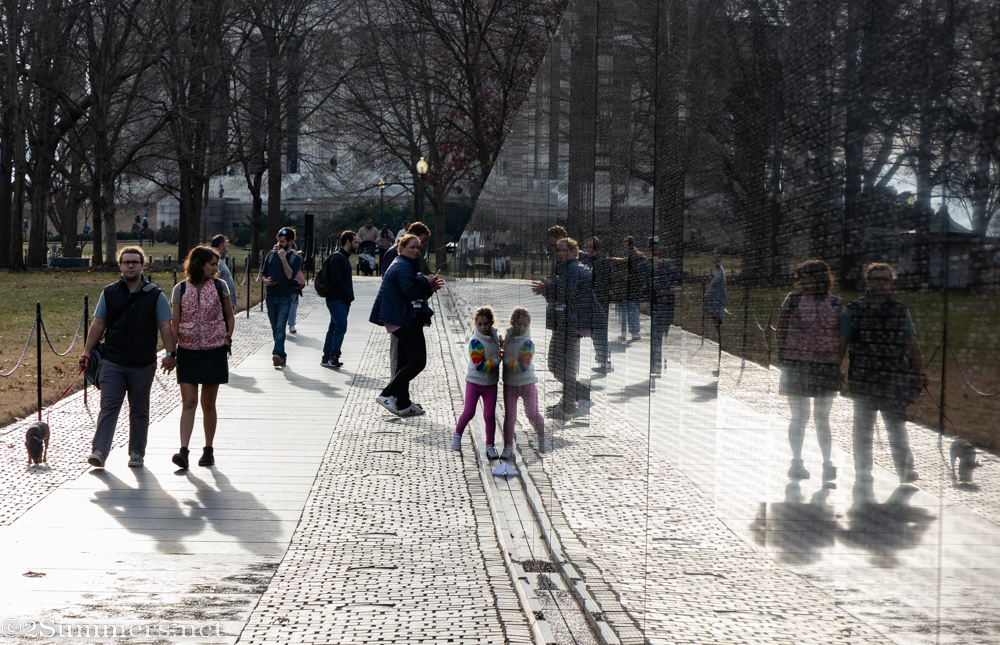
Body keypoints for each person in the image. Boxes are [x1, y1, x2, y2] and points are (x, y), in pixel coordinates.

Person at [78, 247, 177, 468]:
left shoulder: (155, 295)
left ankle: (136, 452)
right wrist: (86, 352)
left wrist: (171, 354)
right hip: (112, 361)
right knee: (109, 407)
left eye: (134, 262)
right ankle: (100, 451)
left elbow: (165, 327)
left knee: (139, 409)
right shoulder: (109, 292)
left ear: (143, 265)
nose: (130, 265)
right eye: (126, 262)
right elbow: (98, 324)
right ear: (120, 265)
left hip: (143, 363)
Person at [839, 263, 928, 486]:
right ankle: (863, 469)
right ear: (868, 281)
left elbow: (911, 341)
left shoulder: (900, 310)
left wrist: (919, 369)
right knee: (863, 427)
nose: (881, 283)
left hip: (893, 376)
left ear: (891, 282)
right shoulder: (853, 310)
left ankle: (906, 470)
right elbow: (842, 342)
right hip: (863, 376)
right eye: (876, 278)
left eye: (885, 279)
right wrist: (835, 369)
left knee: (896, 425)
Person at [776, 260, 842, 485]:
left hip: (825, 364)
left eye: (809, 276)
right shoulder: (793, 299)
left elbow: (840, 335)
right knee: (800, 415)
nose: (804, 281)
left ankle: (827, 462)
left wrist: (839, 364)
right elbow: (781, 327)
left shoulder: (835, 303)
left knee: (822, 417)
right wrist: (783, 354)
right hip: (796, 363)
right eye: (802, 276)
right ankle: (796, 460)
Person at [170, 246, 235, 469]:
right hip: (187, 351)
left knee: (208, 403)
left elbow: (229, 316)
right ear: (199, 264)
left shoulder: (220, 286)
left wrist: (227, 338)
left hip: (214, 350)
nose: (216, 268)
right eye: (212, 264)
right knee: (188, 402)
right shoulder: (180, 288)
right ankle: (183, 451)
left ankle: (208, 449)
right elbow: (174, 321)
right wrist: (172, 350)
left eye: (216, 264)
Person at [370, 234, 444, 416]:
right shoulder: (403, 266)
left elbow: (413, 295)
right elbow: (410, 292)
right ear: (401, 248)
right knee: (418, 361)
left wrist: (429, 289)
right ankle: (387, 394)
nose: (417, 250)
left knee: (404, 362)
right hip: (403, 320)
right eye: (412, 247)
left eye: (419, 247)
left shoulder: (404, 264)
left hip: (400, 318)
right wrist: (427, 284)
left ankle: (403, 403)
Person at [538, 238, 598, 420]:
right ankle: (570, 401)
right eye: (557, 251)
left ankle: (572, 403)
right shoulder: (566, 269)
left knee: (561, 366)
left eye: (563, 250)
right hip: (565, 324)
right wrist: (548, 290)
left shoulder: (575, 269)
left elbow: (568, 296)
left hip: (569, 325)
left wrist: (549, 288)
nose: (559, 254)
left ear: (574, 251)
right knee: (558, 366)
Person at [380, 221, 431, 376]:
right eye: (419, 243)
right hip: (399, 313)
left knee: (406, 357)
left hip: (408, 312)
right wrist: (424, 285)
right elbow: (399, 286)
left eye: (420, 245)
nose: (419, 248)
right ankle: (393, 392)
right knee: (400, 355)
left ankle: (401, 397)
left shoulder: (410, 258)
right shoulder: (396, 257)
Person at [451, 307, 502, 454]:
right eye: (479, 324)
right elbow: (479, 366)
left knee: (489, 415)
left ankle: (490, 445)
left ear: (492, 322)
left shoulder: (494, 337)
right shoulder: (475, 342)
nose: (483, 327)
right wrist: (497, 361)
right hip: (474, 383)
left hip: (491, 384)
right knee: (469, 412)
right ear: (475, 324)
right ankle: (457, 434)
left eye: (486, 323)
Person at [502, 307, 546, 453]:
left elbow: (523, 366)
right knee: (510, 417)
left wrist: (506, 361)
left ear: (528, 325)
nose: (520, 327)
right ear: (512, 322)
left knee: (532, 413)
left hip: (527, 383)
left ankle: (542, 436)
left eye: (524, 325)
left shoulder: (527, 343)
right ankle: (508, 446)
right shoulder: (508, 336)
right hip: (510, 384)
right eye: (517, 323)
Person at [640, 236, 681, 379]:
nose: (655, 248)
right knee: (656, 337)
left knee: (661, 335)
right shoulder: (644, 265)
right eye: (652, 245)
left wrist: (673, 289)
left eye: (657, 245)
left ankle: (658, 359)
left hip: (667, 305)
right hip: (655, 305)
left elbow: (678, 283)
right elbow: (642, 282)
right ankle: (656, 364)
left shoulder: (669, 264)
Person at [262, 227, 303, 367]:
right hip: (270, 296)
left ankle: (276, 353)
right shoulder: (271, 255)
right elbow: (263, 273)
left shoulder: (296, 258)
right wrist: (265, 280)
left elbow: (290, 276)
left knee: (281, 327)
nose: (280, 244)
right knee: (275, 328)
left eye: (283, 241)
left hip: (285, 297)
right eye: (279, 241)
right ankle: (282, 354)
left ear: (291, 241)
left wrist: (283, 259)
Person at [322, 231, 358, 368]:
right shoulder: (338, 258)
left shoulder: (343, 257)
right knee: (341, 325)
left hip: (340, 299)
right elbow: (336, 280)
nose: (357, 244)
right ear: (347, 242)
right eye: (355, 242)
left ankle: (327, 357)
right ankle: (334, 356)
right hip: (337, 299)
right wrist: (347, 295)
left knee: (334, 326)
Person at [581, 237, 612, 374]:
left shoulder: (601, 262)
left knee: (599, 332)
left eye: (587, 247)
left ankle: (604, 362)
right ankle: (603, 360)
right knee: (597, 332)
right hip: (597, 300)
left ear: (593, 249)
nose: (585, 249)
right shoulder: (593, 261)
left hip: (600, 301)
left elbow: (600, 282)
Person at [704, 247, 727, 375]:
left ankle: (720, 365)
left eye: (717, 257)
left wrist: (719, 310)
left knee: (720, 338)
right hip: (714, 309)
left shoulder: (721, 274)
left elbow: (722, 294)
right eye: (713, 256)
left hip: (717, 309)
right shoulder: (718, 273)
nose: (715, 259)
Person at [617, 235, 644, 342]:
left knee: (628, 311)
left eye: (626, 244)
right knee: (630, 310)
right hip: (630, 287)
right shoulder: (634, 254)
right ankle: (632, 332)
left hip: (630, 287)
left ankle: (631, 332)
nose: (625, 246)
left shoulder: (636, 255)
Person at [210, 234, 237, 310]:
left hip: (227, 301)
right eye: (226, 246)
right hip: (222, 303)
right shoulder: (214, 261)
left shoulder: (220, 260)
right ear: (221, 246)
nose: (227, 249)